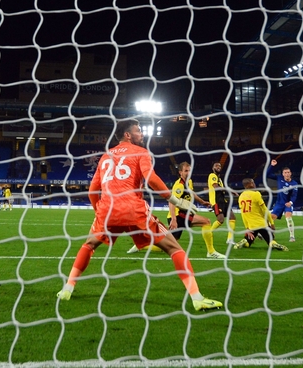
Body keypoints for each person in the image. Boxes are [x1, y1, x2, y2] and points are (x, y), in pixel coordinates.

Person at [56, 119, 223, 311]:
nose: (142, 134)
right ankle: (197, 298)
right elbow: (151, 179)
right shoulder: (141, 152)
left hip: (107, 210)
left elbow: (93, 190)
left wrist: (99, 213)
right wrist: (176, 201)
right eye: (138, 130)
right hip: (133, 209)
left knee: (89, 244)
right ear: (128, 135)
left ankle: (68, 289)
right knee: (174, 248)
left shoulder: (105, 156)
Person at [126, 161, 222, 258]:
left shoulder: (189, 182)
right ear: (180, 172)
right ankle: (211, 252)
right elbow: (171, 201)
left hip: (183, 214)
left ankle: (143, 245)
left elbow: (191, 193)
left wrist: (202, 202)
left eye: (189, 170)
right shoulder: (179, 185)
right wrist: (174, 220)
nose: (188, 173)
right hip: (178, 215)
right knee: (206, 222)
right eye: (185, 171)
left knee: (166, 245)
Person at [233, 178, 289, 251]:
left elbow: (243, 214)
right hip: (261, 223)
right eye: (253, 182)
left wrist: (247, 228)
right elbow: (265, 210)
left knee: (249, 242)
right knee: (271, 239)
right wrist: (271, 223)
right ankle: (273, 243)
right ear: (251, 184)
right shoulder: (256, 194)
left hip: (251, 225)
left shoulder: (241, 197)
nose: (254, 184)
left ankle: (245, 241)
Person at [266, 159, 298, 242]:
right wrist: (272, 166)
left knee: (288, 217)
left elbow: (294, 195)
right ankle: (265, 233)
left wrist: (290, 202)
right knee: (271, 218)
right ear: (283, 174)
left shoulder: (294, 184)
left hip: (288, 204)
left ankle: (292, 236)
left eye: (288, 172)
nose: (287, 174)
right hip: (279, 203)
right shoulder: (279, 178)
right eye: (285, 172)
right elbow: (267, 174)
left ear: (290, 173)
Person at [208, 162, 237, 244]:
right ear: (213, 168)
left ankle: (230, 239)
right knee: (220, 220)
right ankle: (208, 233)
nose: (218, 167)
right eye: (216, 165)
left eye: (220, 166)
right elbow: (216, 187)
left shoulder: (219, 179)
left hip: (223, 201)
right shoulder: (212, 176)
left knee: (232, 218)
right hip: (216, 201)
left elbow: (221, 189)